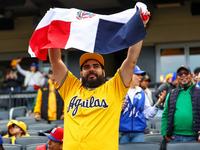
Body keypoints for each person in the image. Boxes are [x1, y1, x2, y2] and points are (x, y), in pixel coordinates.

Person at [48, 7, 150, 150]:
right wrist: (53, 29)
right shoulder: (70, 87)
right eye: (86, 67)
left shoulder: (114, 88)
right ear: (81, 72)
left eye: (95, 66)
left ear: (103, 71)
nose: (91, 69)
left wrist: (141, 25)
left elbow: (131, 59)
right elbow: (56, 62)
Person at [119, 66, 166, 143]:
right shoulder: (118, 91)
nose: (141, 77)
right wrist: (117, 107)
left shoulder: (142, 93)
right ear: (129, 75)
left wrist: (158, 104)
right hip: (121, 133)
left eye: (141, 75)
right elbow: (107, 111)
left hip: (139, 134)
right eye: (138, 75)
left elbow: (148, 115)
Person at [161, 65, 200, 146]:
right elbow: (165, 114)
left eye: (186, 73)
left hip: (195, 138)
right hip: (174, 137)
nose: (183, 76)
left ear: (191, 76)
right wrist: (164, 132)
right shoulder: (171, 93)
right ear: (177, 77)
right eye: (180, 74)